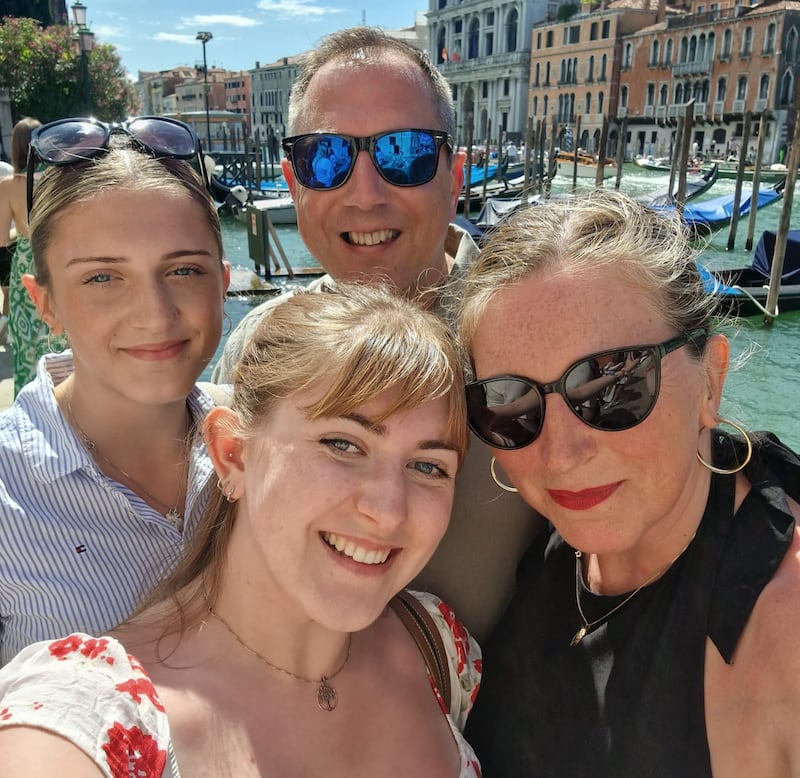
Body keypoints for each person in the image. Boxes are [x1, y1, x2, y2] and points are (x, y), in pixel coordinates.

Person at [0, 283, 482, 777]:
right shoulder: (87, 723)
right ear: (232, 453)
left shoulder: (436, 647)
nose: (389, 511)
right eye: (342, 444)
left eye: (428, 467)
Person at [211, 26, 541, 643]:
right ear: (293, 183)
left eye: (405, 154)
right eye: (326, 158)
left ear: (455, 176)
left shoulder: (536, 346)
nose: (365, 195)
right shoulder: (259, 345)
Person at [456, 190, 800, 776]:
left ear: (711, 381)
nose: (560, 456)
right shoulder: (546, 542)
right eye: (510, 404)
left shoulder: (781, 630)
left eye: (613, 386)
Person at [0, 116, 230, 664]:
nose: (155, 315)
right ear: (46, 302)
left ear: (223, 283)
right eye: (102, 277)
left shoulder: (268, 445)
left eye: (183, 271)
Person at [0, 118, 45, 364]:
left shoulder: (8, 186)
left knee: (26, 337)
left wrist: (21, 230)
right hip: (56, 253)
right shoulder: (58, 178)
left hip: (26, 259)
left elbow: (1, 238)